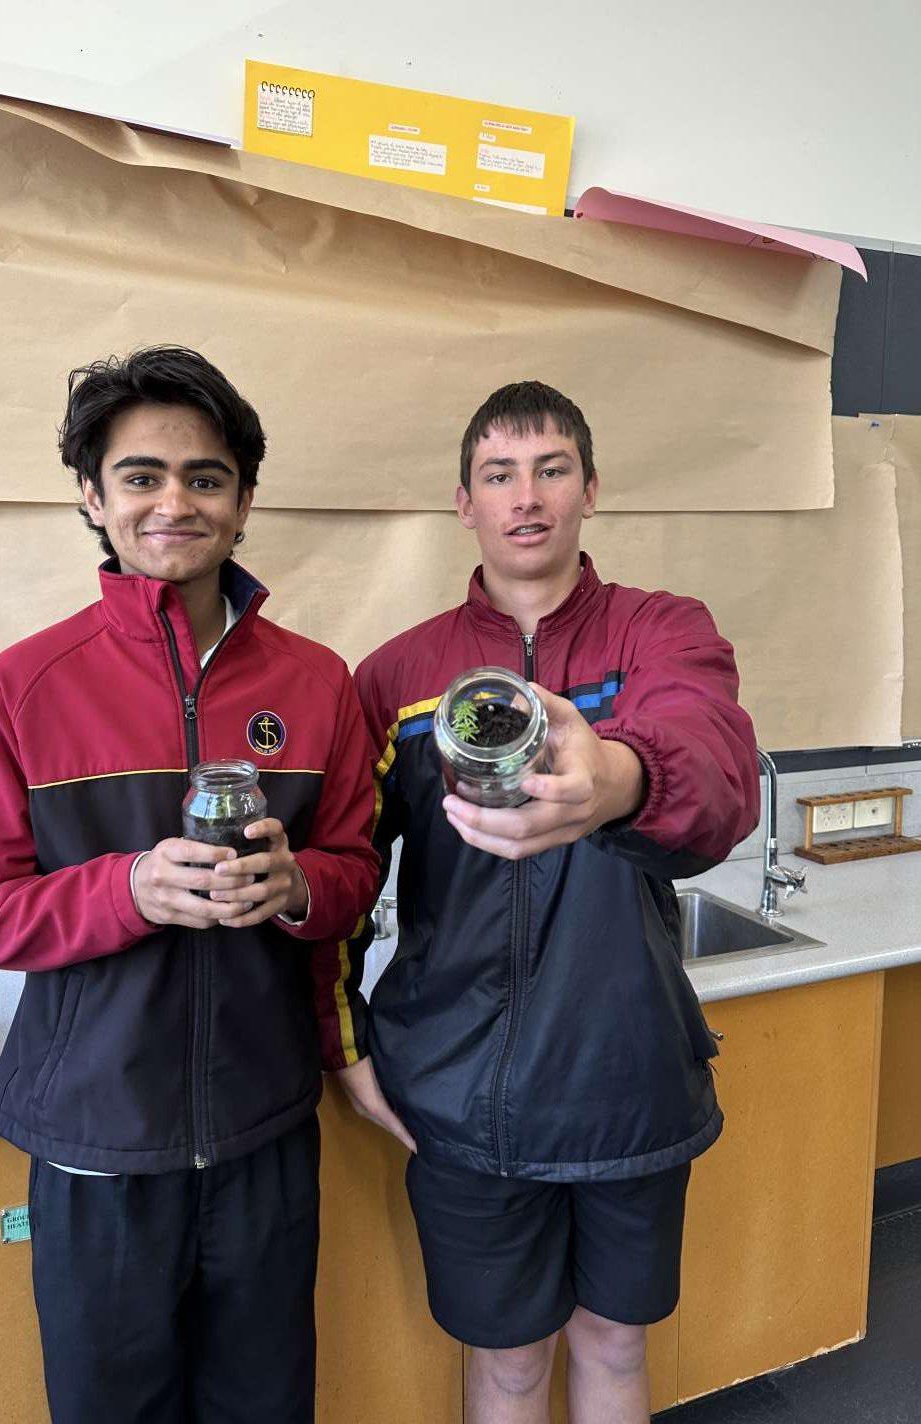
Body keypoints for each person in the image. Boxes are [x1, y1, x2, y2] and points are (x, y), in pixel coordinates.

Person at [0, 346, 378, 1424]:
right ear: (94, 496)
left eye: (206, 476)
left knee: (266, 1404)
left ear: (243, 500)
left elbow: (358, 871)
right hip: (97, 1137)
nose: (174, 501)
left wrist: (294, 884)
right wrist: (126, 888)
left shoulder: (317, 680)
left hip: (266, 1124)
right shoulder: (26, 683)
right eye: (141, 476)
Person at [335, 381, 760, 1424]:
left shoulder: (664, 633)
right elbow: (342, 876)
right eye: (499, 473)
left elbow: (715, 764)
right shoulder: (397, 676)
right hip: (459, 1095)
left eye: (552, 467)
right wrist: (344, 1045)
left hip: (629, 1078)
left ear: (590, 488)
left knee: (614, 1344)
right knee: (512, 1362)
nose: (527, 496)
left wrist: (618, 779)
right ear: (465, 501)